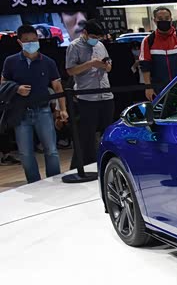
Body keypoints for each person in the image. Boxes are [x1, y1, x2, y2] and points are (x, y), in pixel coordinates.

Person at [0, 24, 66, 183]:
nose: (32, 43)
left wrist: (62, 109)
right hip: (21, 112)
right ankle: (34, 183)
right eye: (27, 40)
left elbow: (57, 86)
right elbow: (3, 83)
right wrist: (17, 89)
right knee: (25, 153)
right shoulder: (11, 61)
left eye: (34, 40)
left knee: (51, 150)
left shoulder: (48, 62)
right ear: (19, 42)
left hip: (43, 110)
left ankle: (55, 181)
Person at [65, 19, 114, 169]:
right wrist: (91, 64)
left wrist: (106, 66)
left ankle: (107, 162)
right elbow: (70, 70)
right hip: (87, 96)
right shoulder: (74, 46)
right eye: (93, 37)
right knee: (87, 134)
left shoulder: (100, 45)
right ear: (85, 33)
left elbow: (109, 66)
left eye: (98, 37)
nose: (96, 40)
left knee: (108, 131)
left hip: (105, 93)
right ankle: (85, 166)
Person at [139, 6, 177, 102]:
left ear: (171, 19)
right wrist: (148, 87)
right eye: (160, 19)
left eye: (166, 18)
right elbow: (145, 66)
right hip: (158, 90)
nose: (164, 21)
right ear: (154, 20)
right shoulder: (148, 41)